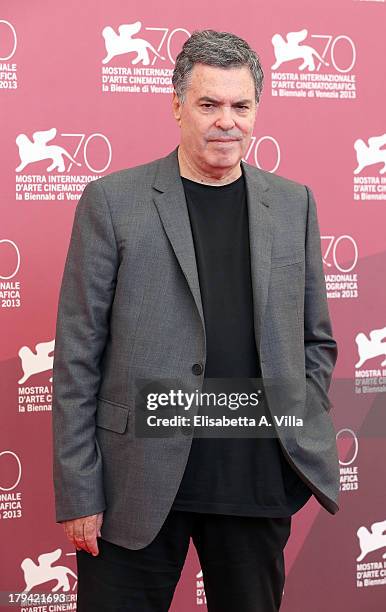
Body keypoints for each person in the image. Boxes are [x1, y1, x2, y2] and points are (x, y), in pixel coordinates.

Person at [51, 29, 340, 612]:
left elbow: (316, 339)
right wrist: (80, 490)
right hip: (135, 484)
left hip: (255, 480)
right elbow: (77, 357)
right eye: (209, 104)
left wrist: (291, 424)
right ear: (177, 104)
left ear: (257, 109)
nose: (225, 122)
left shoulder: (293, 203)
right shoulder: (113, 201)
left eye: (241, 105)